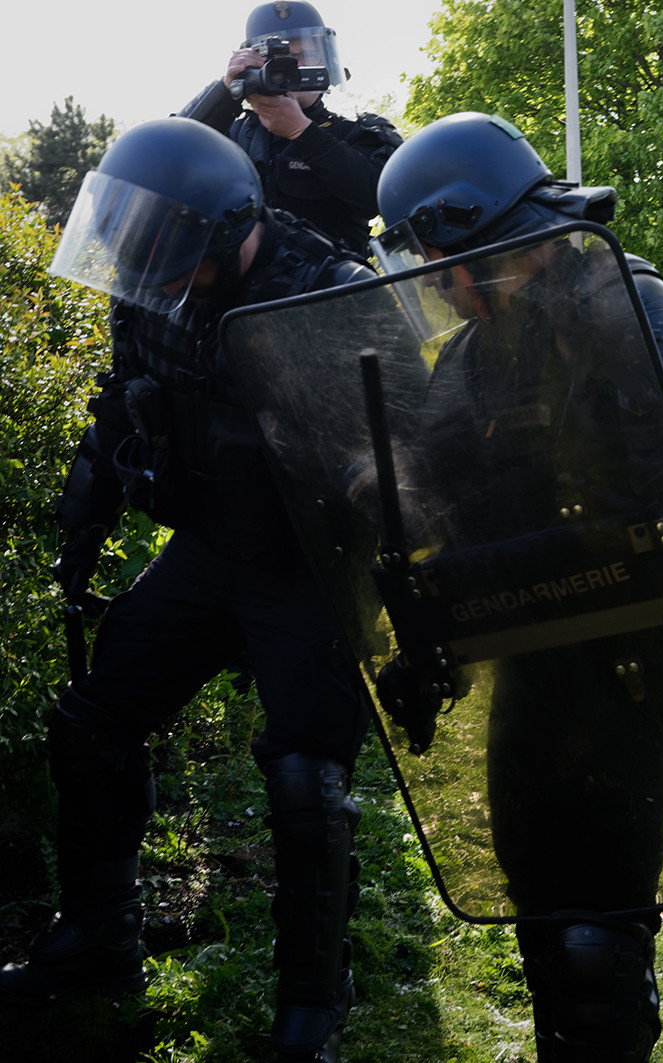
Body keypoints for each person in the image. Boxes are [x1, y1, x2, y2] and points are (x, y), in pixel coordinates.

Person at [0, 118, 375, 1063]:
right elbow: (119, 401)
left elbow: (405, 449)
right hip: (209, 549)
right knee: (91, 722)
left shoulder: (330, 293)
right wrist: (82, 525)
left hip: (309, 566)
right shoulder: (152, 284)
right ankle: (98, 936)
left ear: (232, 226)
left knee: (306, 780)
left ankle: (310, 1009)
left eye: (174, 252)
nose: (154, 272)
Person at [367, 111, 663, 1063]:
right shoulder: (476, 347)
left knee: (601, 928)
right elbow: (437, 477)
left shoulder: (623, 307)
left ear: (479, 231)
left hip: (630, 645)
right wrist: (375, 484)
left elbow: (633, 525)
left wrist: (464, 586)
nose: (432, 281)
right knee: (535, 893)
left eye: (438, 257)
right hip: (531, 645)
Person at [179, 0, 403, 256]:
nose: (296, 65)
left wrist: (303, 132)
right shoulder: (230, 134)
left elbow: (382, 199)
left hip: (332, 287)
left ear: (327, 59)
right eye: (281, 56)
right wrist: (224, 90)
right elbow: (166, 155)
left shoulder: (357, 133)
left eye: (307, 54)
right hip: (241, 290)